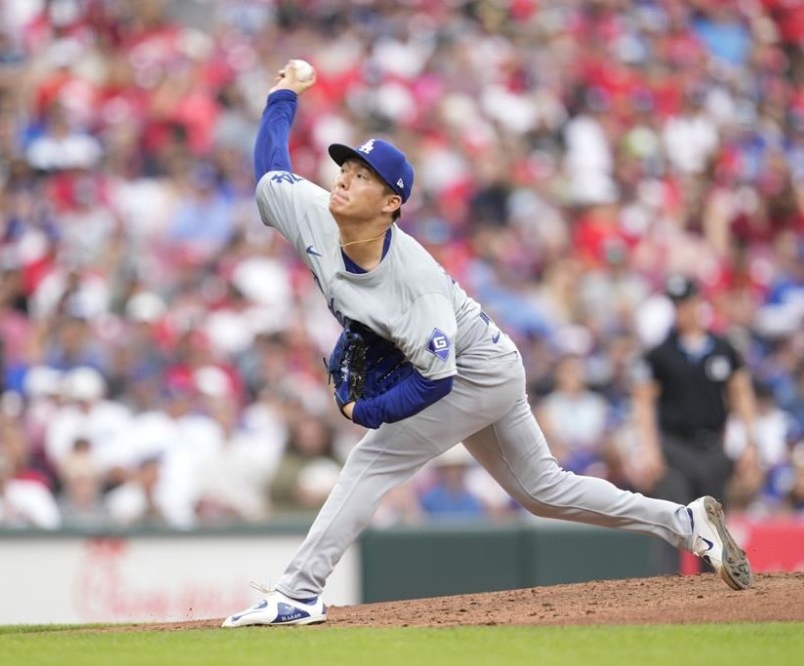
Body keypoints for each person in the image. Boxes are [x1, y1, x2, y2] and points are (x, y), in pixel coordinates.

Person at [222, 61, 752, 628]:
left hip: (475, 369)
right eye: (346, 167)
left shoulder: (414, 283)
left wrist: (366, 410)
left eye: (362, 174)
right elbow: (269, 170)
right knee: (544, 490)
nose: (345, 177)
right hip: (484, 360)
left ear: (390, 204)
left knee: (372, 460)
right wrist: (282, 97)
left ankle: (300, 593)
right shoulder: (313, 212)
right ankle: (687, 523)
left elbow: (436, 380)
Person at [630, 275, 759, 570]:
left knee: (712, 528)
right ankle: (664, 595)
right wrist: (649, 450)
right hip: (675, 448)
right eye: (676, 305)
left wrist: (751, 442)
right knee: (671, 522)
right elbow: (644, 402)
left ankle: (712, 602)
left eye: (685, 303)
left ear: (699, 304)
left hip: (713, 447)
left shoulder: (723, 348)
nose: (681, 311)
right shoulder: (660, 353)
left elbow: (741, 395)